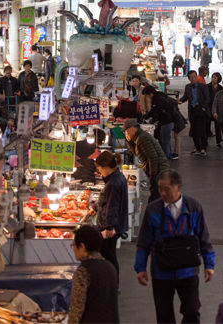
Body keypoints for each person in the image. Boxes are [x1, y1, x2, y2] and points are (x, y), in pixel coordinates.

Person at [134, 170, 215, 324]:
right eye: (159, 188)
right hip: (161, 273)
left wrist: (209, 264)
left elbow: (204, 238)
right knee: (164, 315)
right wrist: (140, 267)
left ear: (178, 187)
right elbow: (144, 242)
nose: (162, 193)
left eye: (166, 188)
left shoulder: (194, 207)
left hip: (188, 272)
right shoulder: (153, 210)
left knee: (192, 311)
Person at [68, 225, 120, 324]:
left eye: (74, 245)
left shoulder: (83, 271)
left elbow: (76, 308)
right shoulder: (110, 267)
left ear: (82, 247)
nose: (73, 249)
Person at [95, 151, 129, 285]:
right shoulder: (117, 177)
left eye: (99, 169)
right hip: (117, 224)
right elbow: (106, 202)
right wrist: (95, 208)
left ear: (105, 167)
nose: (99, 172)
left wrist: (109, 227)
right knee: (110, 255)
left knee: (109, 257)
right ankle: (112, 284)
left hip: (111, 227)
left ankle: (112, 285)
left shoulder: (113, 184)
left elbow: (112, 207)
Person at [123, 119, 169, 202]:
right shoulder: (139, 138)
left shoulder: (142, 138)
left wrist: (153, 175)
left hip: (159, 171)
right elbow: (137, 153)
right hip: (159, 171)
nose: (126, 133)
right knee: (157, 200)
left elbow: (153, 157)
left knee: (155, 200)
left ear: (132, 128)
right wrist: (128, 141)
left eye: (126, 131)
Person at [179, 70, 211, 156]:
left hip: (200, 109)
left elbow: (207, 98)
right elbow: (185, 97)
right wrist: (179, 101)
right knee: (194, 130)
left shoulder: (203, 86)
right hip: (192, 110)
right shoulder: (188, 87)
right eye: (191, 77)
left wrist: (204, 107)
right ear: (189, 79)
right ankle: (197, 147)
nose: (193, 79)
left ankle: (203, 148)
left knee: (202, 130)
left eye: (194, 77)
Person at [142, 85, 175, 160]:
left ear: (150, 93)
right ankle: (166, 156)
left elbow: (155, 111)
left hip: (166, 122)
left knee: (164, 141)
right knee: (164, 140)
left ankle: (165, 159)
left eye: (147, 95)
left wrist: (147, 117)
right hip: (166, 122)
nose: (147, 97)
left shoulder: (158, 99)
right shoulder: (158, 96)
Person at [207, 72, 223, 144]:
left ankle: (219, 140)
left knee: (218, 125)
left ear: (218, 79)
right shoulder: (207, 86)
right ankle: (205, 139)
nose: (213, 79)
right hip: (208, 107)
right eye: (212, 77)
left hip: (217, 109)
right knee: (206, 124)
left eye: (215, 78)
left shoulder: (220, 88)